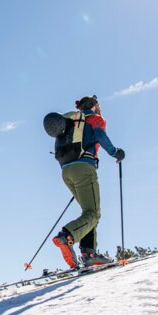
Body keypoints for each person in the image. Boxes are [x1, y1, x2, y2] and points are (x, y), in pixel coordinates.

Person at [51, 96, 125, 268]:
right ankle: (67, 236)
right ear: (93, 106)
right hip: (84, 168)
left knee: (88, 213)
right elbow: (100, 135)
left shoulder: (71, 122)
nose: (100, 108)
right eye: (98, 104)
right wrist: (115, 153)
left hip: (66, 171)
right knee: (93, 214)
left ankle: (89, 253)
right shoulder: (94, 119)